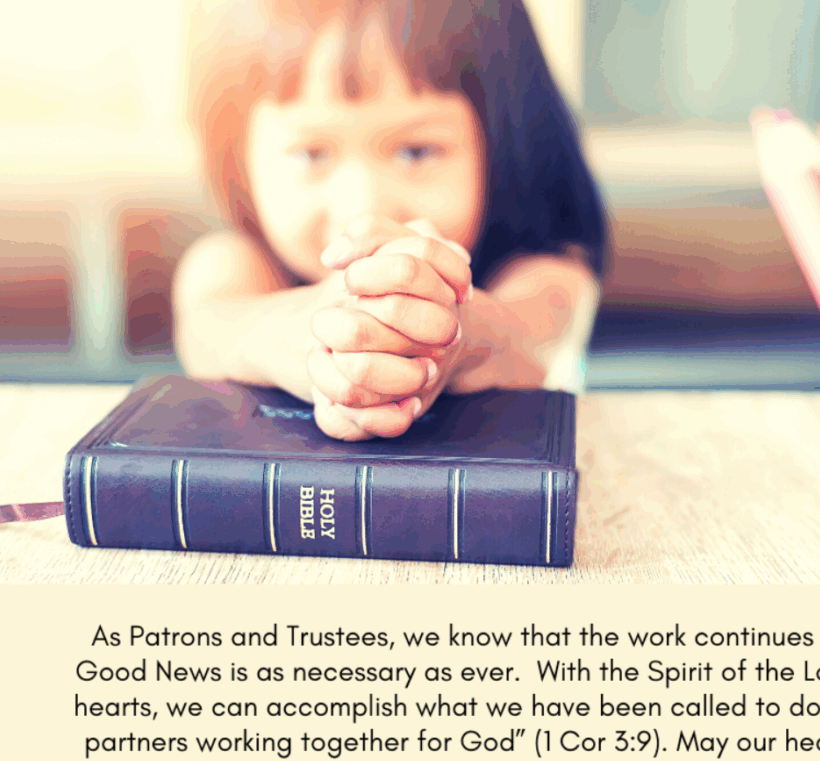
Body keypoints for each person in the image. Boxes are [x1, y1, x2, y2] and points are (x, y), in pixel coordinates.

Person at [174, 0, 607, 440]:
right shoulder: (234, 259)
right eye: (311, 154)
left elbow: (539, 341)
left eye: (415, 151)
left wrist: (445, 336)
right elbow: (207, 329)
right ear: (238, 156)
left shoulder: (547, 264)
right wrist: (321, 334)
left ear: (503, 142)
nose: (364, 209)